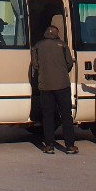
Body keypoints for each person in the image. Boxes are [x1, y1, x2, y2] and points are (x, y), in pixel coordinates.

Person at [30, 24, 77, 154]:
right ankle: (70, 146)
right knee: (66, 115)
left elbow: (35, 65)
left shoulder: (38, 46)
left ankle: (49, 145)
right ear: (56, 34)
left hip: (45, 86)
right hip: (62, 85)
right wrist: (61, 72)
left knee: (48, 116)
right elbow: (69, 63)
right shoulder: (62, 45)